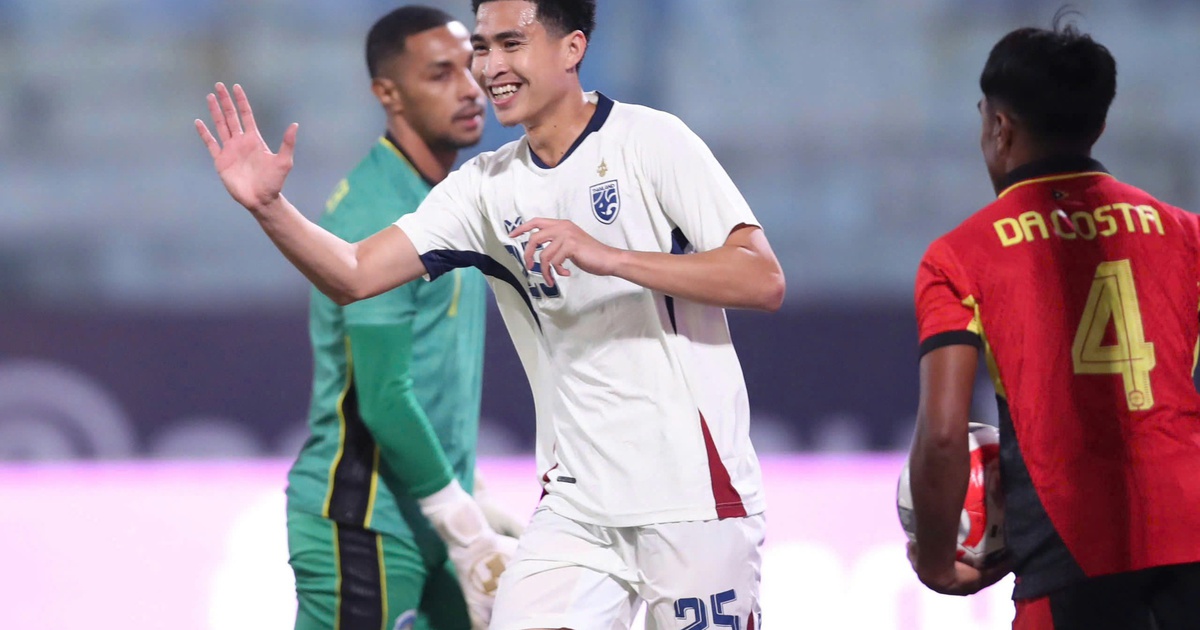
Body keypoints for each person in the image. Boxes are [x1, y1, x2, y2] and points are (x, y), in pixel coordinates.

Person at [195, 0, 785, 626]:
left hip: (694, 497)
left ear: (572, 49)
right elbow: (353, 274)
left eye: (511, 44)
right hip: (578, 510)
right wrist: (269, 208)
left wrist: (609, 256)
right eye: (483, 47)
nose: (489, 67)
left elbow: (761, 276)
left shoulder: (651, 141)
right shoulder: (485, 187)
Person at [907, 18, 1200, 630]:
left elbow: (941, 435)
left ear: (998, 127)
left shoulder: (959, 257)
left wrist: (937, 561)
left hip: (1070, 564)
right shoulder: (1185, 234)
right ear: (1098, 124)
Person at [279, 6, 520, 630]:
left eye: (472, 68)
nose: (471, 89)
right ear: (387, 93)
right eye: (441, 74)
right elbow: (384, 399)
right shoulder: (377, 212)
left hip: (432, 513)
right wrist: (466, 526)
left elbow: (434, 376)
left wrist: (474, 497)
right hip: (365, 521)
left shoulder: (451, 200)